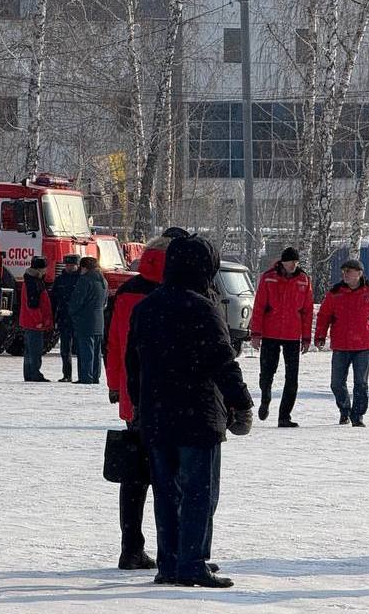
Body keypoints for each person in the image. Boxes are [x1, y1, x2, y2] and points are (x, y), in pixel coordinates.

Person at [126, 234, 253, 588]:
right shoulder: (202, 308)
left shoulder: (147, 307)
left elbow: (132, 364)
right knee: (199, 492)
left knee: (166, 493)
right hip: (198, 415)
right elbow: (222, 362)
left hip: (157, 415)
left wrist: (139, 405)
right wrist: (242, 402)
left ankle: (169, 561)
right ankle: (192, 561)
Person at [103, 230, 183, 571]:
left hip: (133, 396)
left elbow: (114, 344)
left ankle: (131, 547)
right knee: (171, 476)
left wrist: (116, 386)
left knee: (135, 476)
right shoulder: (178, 291)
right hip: (172, 397)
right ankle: (174, 548)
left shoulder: (127, 291)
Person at [315, 258, 369, 427]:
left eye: (349, 271)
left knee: (360, 383)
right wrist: (319, 336)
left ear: (359, 273)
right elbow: (324, 316)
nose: (345, 274)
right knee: (336, 383)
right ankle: (344, 410)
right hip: (341, 344)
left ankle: (358, 416)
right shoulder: (335, 292)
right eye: (344, 271)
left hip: (363, 345)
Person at [250, 247, 313, 428]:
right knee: (267, 372)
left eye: (296, 262)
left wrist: (306, 337)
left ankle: (284, 416)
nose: (294, 265)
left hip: (292, 335)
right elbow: (259, 306)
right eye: (291, 261)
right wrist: (256, 334)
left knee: (292, 378)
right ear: (283, 262)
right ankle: (265, 397)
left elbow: (307, 311)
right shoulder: (269, 277)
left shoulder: (304, 279)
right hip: (270, 333)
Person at [68, 255, 107, 384]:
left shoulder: (84, 280)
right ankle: (95, 376)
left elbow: (77, 301)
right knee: (96, 352)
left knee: (85, 352)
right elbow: (105, 303)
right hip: (99, 321)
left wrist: (72, 312)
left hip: (85, 321)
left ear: (84, 267)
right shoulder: (103, 281)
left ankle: (86, 377)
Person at [20, 256, 55, 382]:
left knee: (30, 349)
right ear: (40, 269)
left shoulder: (31, 280)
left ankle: (29, 372)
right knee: (35, 349)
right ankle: (34, 373)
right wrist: (39, 321)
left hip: (29, 321)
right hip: (34, 323)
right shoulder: (34, 282)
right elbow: (33, 304)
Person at [51, 255, 81, 382]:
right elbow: (54, 300)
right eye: (67, 265)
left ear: (77, 265)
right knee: (65, 349)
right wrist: (54, 317)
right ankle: (67, 375)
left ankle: (82, 375)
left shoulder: (81, 279)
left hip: (77, 318)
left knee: (79, 349)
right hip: (64, 317)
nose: (69, 267)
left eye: (72, 265)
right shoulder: (60, 280)